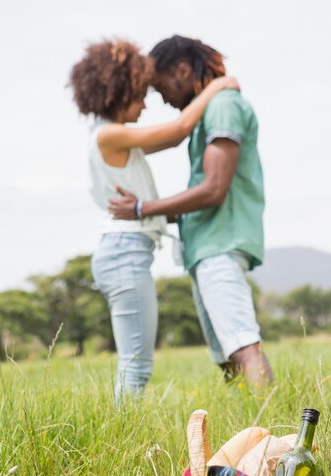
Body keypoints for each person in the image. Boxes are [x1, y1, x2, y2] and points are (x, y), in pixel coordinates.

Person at [69, 39, 238, 399]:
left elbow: (173, 138)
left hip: (126, 253)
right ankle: (115, 443)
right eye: (140, 94)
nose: (146, 103)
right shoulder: (110, 135)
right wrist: (217, 88)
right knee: (137, 364)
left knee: (135, 362)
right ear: (118, 92)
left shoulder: (111, 138)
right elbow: (178, 133)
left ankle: (117, 434)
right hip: (124, 254)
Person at [108, 35, 273, 385]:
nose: (163, 99)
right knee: (227, 356)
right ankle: (246, 433)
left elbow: (213, 189)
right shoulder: (209, 112)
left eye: (160, 86)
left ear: (182, 70)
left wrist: (142, 208)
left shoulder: (223, 105)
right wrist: (142, 210)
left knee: (243, 345)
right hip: (206, 243)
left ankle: (271, 432)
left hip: (221, 241)